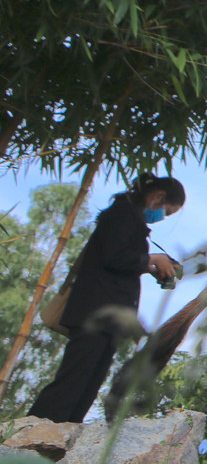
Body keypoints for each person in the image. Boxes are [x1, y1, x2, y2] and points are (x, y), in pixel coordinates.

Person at [28, 174, 185, 423]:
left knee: (87, 387)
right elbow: (114, 255)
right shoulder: (121, 214)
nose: (163, 218)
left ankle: (58, 441)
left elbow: (119, 261)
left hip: (108, 320)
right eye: (166, 212)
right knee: (73, 381)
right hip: (95, 314)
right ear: (158, 197)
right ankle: (32, 434)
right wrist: (150, 260)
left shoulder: (131, 220)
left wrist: (150, 268)